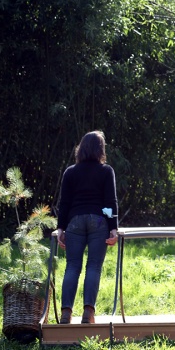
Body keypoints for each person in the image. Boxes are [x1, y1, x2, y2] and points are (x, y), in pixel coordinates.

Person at [55, 130, 119, 324]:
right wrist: (113, 227)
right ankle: (88, 313)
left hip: (74, 221)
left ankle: (66, 313)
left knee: (72, 266)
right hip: (99, 221)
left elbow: (64, 202)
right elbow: (109, 202)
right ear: (100, 149)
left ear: (81, 149)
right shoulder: (106, 171)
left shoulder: (70, 172)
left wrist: (60, 228)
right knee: (93, 267)